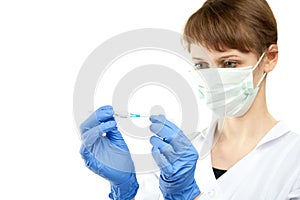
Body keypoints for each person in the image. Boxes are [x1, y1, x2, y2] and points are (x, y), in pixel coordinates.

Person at [78, 0, 300, 199]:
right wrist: (125, 190)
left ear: (270, 58)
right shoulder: (176, 156)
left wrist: (190, 196)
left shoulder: (294, 161)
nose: (213, 77)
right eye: (202, 65)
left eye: (229, 63)